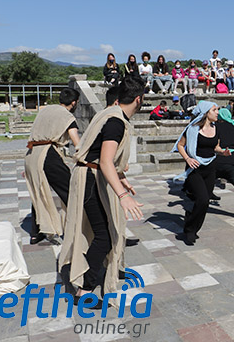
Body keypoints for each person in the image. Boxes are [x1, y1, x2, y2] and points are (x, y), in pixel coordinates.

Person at [59, 77, 145, 308]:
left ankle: (106, 269)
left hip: (90, 175)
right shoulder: (116, 122)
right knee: (104, 235)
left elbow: (99, 154)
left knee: (106, 231)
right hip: (90, 179)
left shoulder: (109, 113)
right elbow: (106, 161)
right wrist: (123, 196)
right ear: (138, 100)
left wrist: (121, 179)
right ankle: (84, 291)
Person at [25, 88, 80, 245]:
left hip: (31, 154)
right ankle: (80, 227)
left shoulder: (45, 110)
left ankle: (36, 233)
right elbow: (77, 143)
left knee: (38, 191)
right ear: (74, 102)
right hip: (47, 154)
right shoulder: (67, 116)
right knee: (70, 190)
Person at [172, 101, 231, 245]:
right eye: (214, 110)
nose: (217, 112)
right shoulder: (192, 128)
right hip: (195, 169)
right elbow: (180, 145)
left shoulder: (216, 128)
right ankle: (190, 230)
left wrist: (223, 152)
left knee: (204, 203)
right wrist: (188, 158)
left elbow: (215, 147)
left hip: (210, 168)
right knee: (203, 199)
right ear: (206, 112)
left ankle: (192, 223)